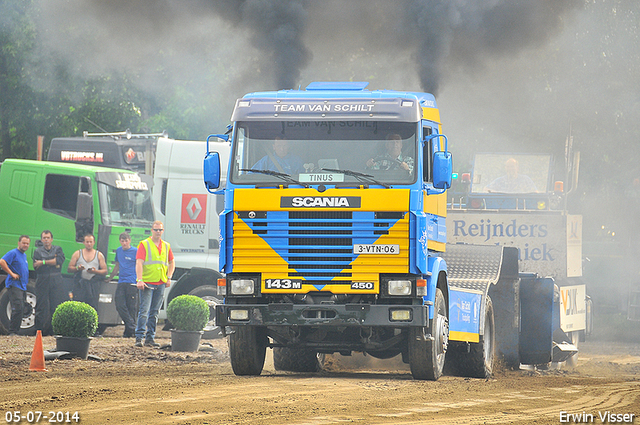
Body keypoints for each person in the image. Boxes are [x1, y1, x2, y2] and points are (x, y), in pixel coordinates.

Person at [134, 221, 175, 347]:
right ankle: (139, 338)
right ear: (151, 230)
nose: (158, 232)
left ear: (162, 231)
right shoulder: (144, 244)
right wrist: (139, 279)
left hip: (161, 282)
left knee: (155, 312)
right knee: (144, 311)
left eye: (160, 230)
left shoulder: (166, 246)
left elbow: (171, 262)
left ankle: (150, 338)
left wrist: (169, 277)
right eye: (156, 230)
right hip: (147, 283)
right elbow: (139, 263)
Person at [33, 230, 66, 336]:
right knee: (41, 306)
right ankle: (39, 330)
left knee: (55, 305)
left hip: (56, 280)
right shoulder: (37, 251)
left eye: (48, 238)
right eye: (44, 238)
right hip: (43, 279)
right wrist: (52, 261)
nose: (46, 240)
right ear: (41, 240)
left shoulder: (58, 249)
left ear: (51, 239)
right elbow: (35, 265)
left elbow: (59, 261)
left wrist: (43, 262)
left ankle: (55, 330)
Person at [67, 233, 107, 316]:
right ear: (84, 243)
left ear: (94, 242)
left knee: (93, 309)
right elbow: (69, 269)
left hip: (93, 285)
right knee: (78, 308)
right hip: (80, 285)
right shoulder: (77, 253)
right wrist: (78, 268)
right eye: (87, 242)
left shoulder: (99, 255)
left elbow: (105, 271)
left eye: (90, 242)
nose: (89, 244)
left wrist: (95, 271)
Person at [109, 232, 138, 338]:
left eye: (126, 241)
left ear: (129, 241)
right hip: (122, 281)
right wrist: (110, 278)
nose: (124, 243)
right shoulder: (119, 250)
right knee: (120, 304)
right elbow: (117, 265)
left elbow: (140, 265)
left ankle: (129, 331)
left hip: (132, 281)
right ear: (120, 241)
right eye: (122, 241)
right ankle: (132, 326)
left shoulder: (135, 251)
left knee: (131, 307)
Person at [0, 235, 30, 336]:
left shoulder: (24, 255)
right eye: (24, 243)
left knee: (21, 308)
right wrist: (11, 273)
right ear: (19, 243)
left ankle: (15, 332)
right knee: (17, 308)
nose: (25, 245)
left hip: (22, 286)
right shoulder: (13, 253)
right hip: (14, 285)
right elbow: (2, 261)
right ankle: (12, 332)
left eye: (27, 243)